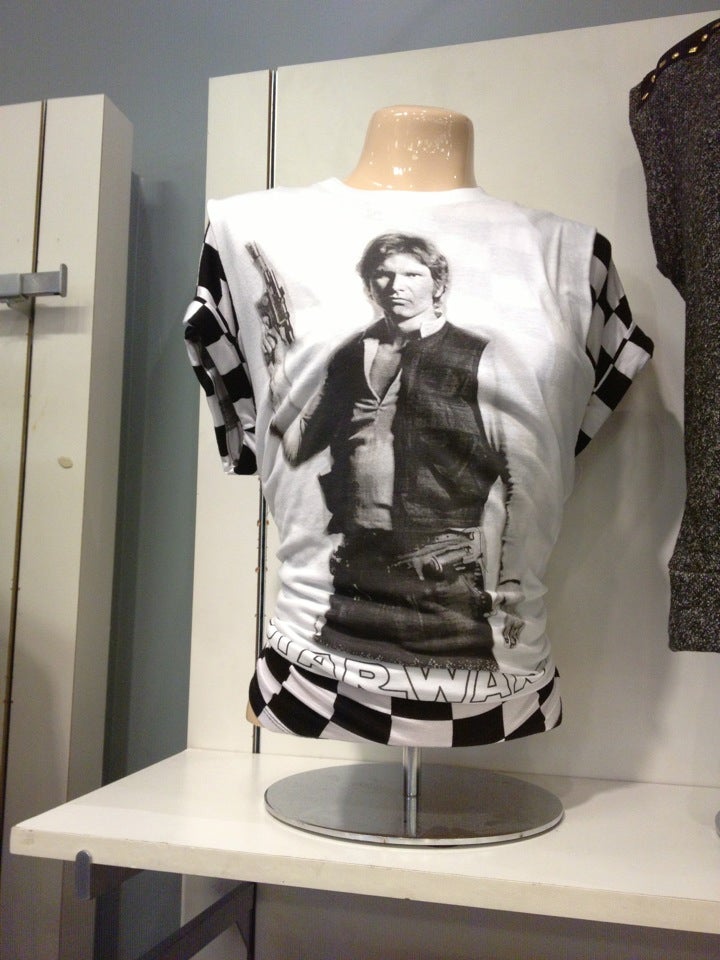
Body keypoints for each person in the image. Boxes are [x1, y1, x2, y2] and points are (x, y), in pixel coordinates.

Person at [270, 231, 513, 669]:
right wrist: (280, 370)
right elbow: (295, 448)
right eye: (383, 274)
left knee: (457, 682)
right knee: (344, 677)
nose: (396, 285)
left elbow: (516, 478)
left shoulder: (475, 355)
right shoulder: (349, 355)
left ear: (438, 284)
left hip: (441, 566)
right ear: (369, 284)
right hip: (357, 561)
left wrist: (507, 581)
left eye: (412, 275)